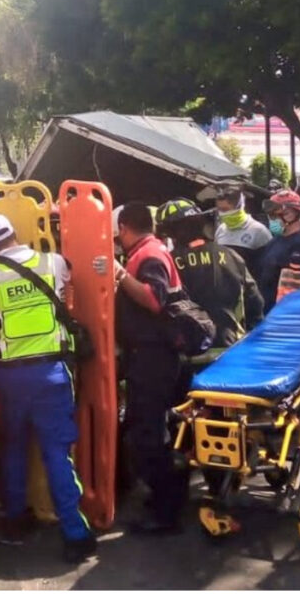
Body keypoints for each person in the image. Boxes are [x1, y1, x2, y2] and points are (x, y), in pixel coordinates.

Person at [0, 214, 97, 564]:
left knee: (14, 447)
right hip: (52, 373)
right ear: (13, 234)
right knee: (57, 453)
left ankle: (16, 520)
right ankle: (75, 534)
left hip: (9, 377)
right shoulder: (52, 263)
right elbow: (71, 285)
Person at [95, 201, 188, 534]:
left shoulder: (149, 255)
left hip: (155, 357)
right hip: (146, 355)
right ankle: (161, 498)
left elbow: (154, 298)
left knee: (149, 434)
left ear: (123, 229)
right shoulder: (147, 251)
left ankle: (166, 511)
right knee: (143, 428)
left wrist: (120, 275)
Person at [156, 198, 264, 363]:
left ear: (169, 233)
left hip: (186, 358)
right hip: (230, 353)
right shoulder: (231, 256)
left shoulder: (169, 263)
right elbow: (255, 304)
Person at [257, 189, 300, 311]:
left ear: (290, 215)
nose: (272, 220)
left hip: (293, 318)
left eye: (275, 215)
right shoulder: (273, 243)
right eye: (271, 216)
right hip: (271, 315)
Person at [213, 187, 272, 280]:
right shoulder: (221, 230)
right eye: (219, 210)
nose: (222, 214)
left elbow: (268, 268)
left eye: (225, 209)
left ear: (239, 206)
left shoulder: (258, 231)